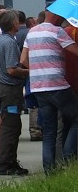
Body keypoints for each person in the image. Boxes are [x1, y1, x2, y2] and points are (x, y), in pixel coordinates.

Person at [20, 9, 78, 173]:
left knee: (49, 130)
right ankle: (68, 156)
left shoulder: (31, 32)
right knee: (76, 118)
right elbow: (75, 51)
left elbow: (23, 60)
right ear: (57, 15)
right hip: (57, 85)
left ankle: (49, 170)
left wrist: (38, 70)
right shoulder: (57, 31)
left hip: (39, 86)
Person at [0, 11, 29, 176]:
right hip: (10, 89)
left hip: (1, 87)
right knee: (11, 127)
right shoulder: (9, 43)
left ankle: (9, 161)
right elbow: (12, 69)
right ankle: (5, 163)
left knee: (11, 125)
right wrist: (28, 71)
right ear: (14, 24)